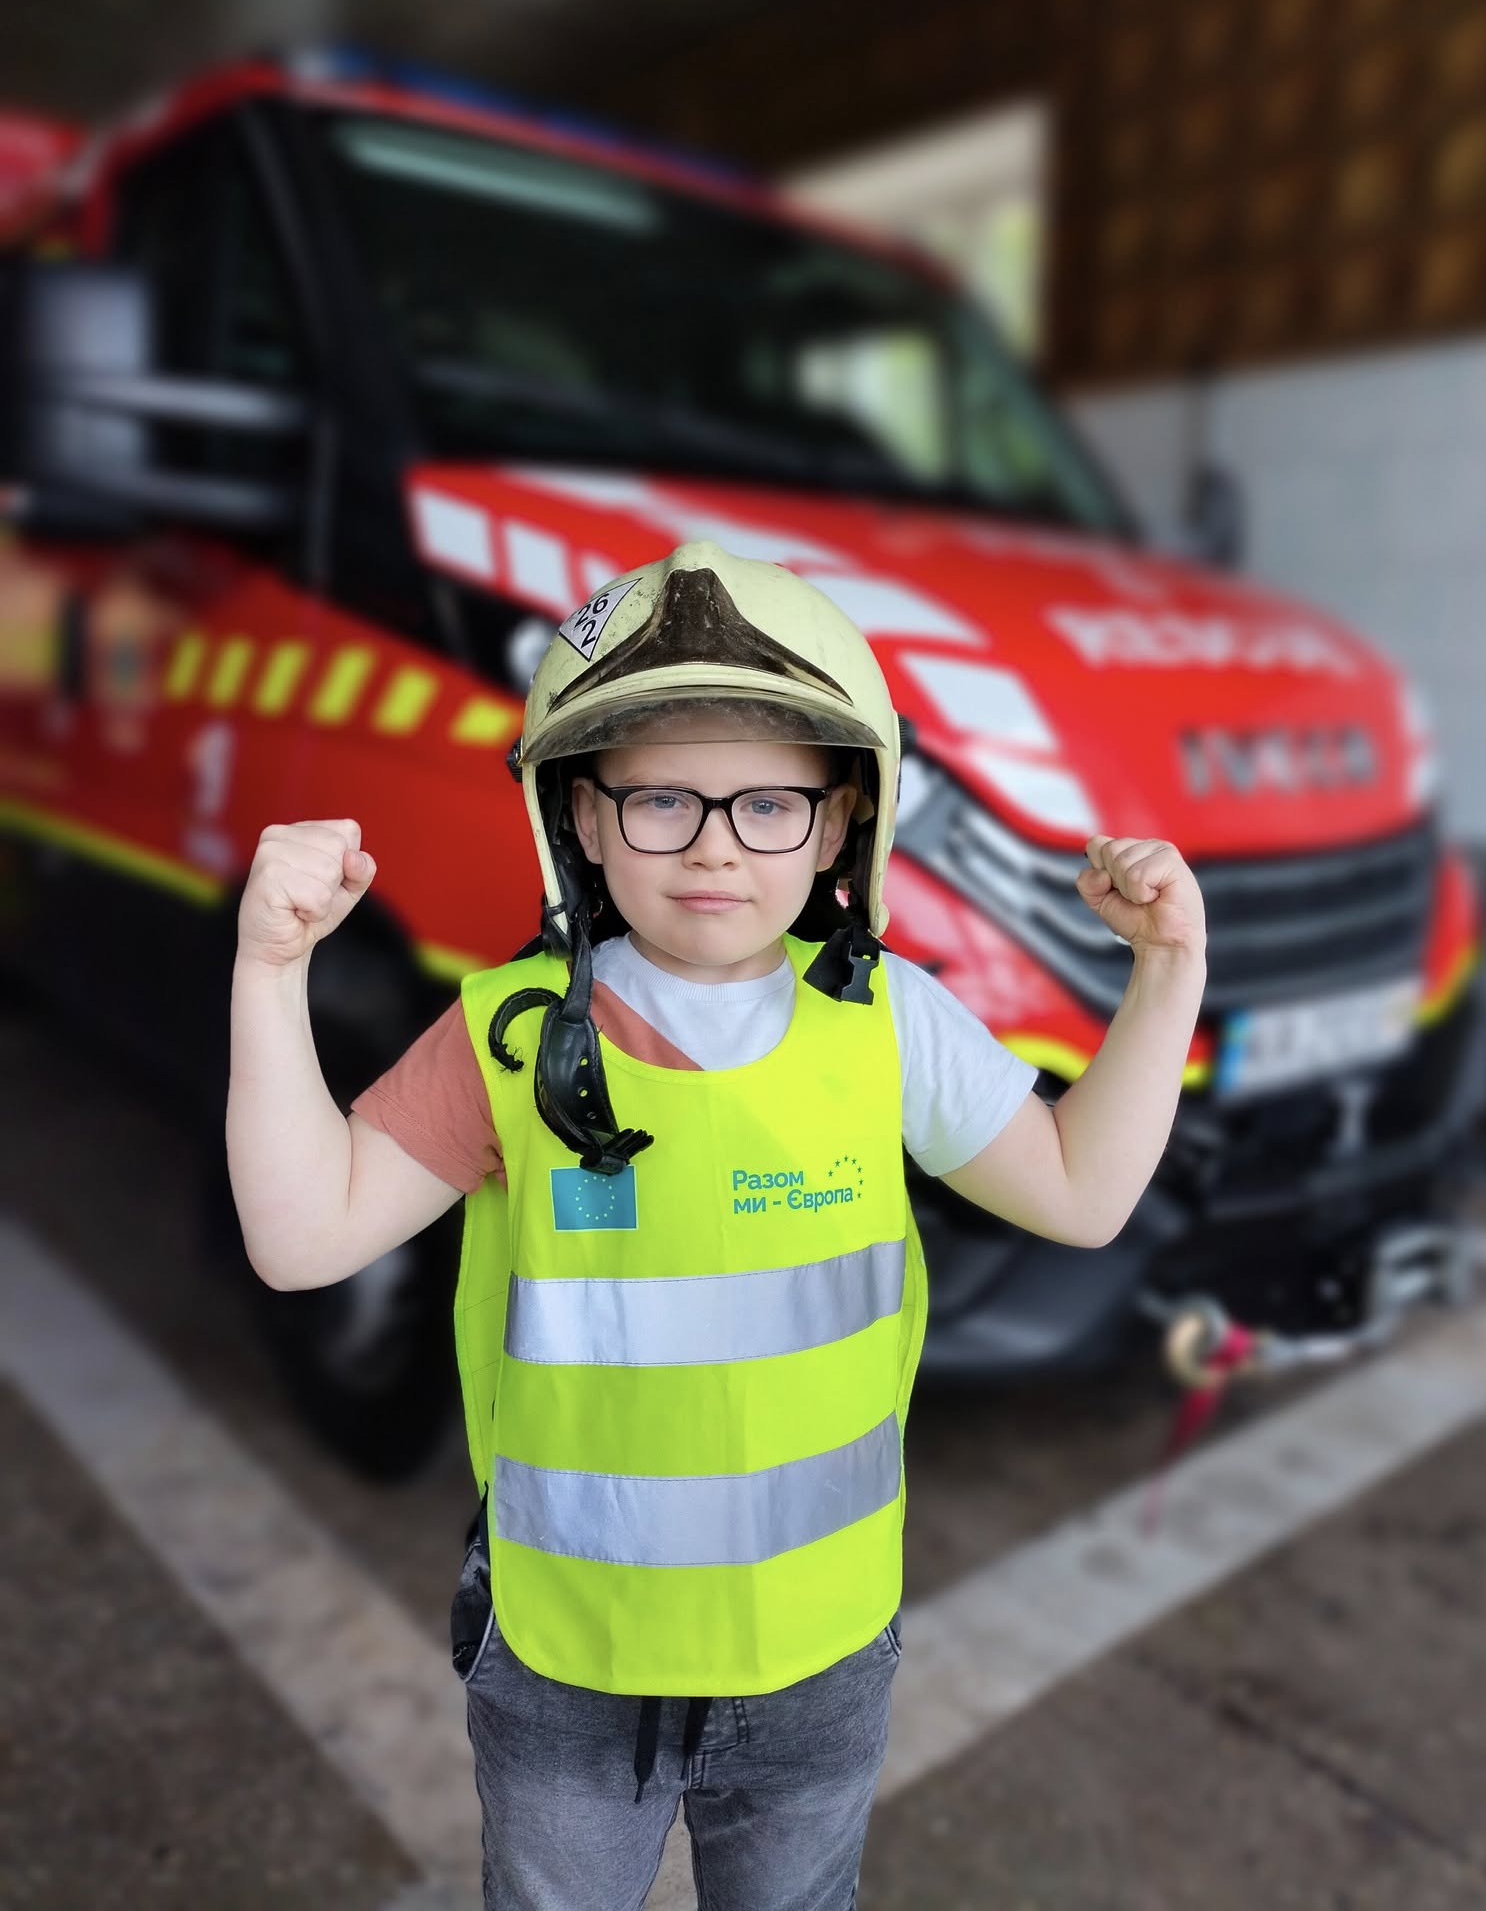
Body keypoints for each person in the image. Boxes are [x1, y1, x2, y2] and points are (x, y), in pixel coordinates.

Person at [227, 540, 1207, 1911]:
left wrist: (1166, 974)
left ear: (841, 819)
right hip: (570, 1661)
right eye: (659, 800)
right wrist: (270, 973)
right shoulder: (511, 1037)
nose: (713, 847)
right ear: (579, 815)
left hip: (819, 1659)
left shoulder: (894, 1025)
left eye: (767, 805)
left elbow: (1083, 1193)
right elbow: (301, 1240)